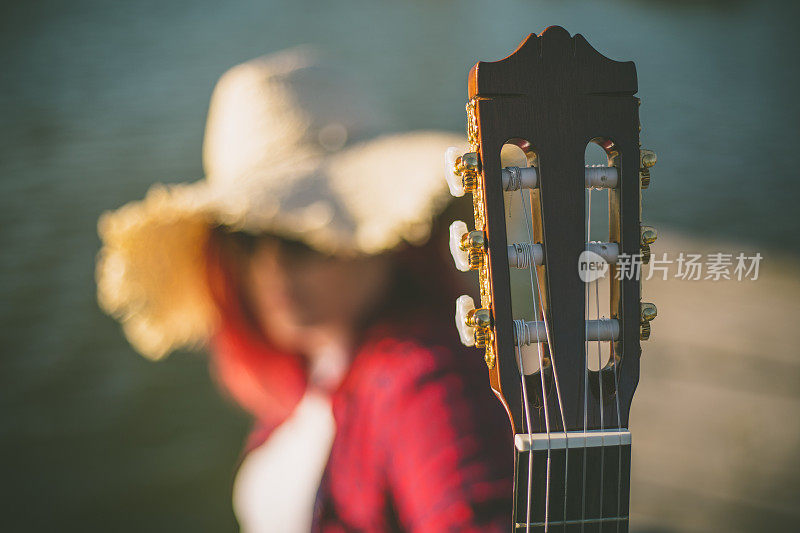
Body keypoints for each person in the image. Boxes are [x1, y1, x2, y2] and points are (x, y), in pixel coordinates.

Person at [96, 48, 513, 532]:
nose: (272, 271)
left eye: (299, 237)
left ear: (385, 233)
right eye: (247, 241)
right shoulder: (317, 366)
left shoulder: (420, 381)